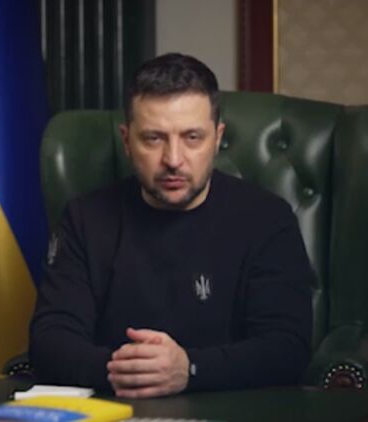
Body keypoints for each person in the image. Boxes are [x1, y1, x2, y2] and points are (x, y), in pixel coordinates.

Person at [29, 53, 313, 398]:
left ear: (217, 137)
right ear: (126, 141)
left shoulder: (268, 218)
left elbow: (287, 348)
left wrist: (190, 369)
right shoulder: (84, 219)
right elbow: (50, 340)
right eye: (153, 138)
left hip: (228, 410)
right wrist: (129, 372)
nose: (173, 160)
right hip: (115, 406)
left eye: (192, 137)